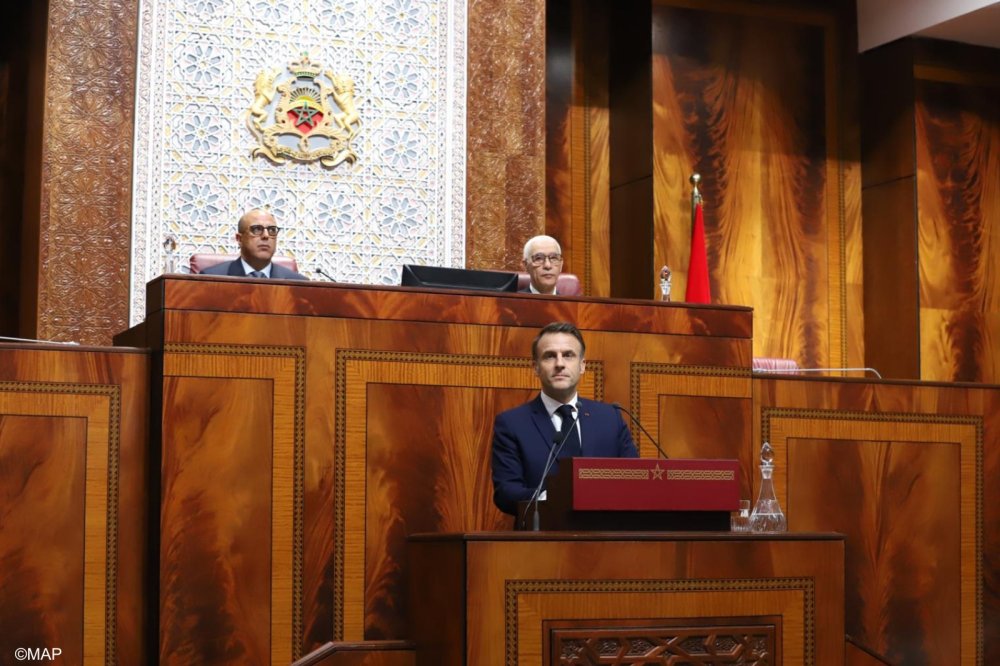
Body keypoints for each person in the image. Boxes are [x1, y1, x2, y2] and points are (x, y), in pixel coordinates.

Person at [491, 322, 638, 516]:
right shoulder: (512, 424)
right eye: (550, 356)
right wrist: (551, 498)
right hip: (541, 540)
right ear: (535, 367)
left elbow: (635, 480)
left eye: (568, 355)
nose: (559, 363)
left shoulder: (610, 418)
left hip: (605, 537)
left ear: (582, 366)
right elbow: (506, 493)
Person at [201, 209, 308, 279]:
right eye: (257, 229)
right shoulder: (212, 278)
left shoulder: (299, 283)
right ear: (239, 239)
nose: (266, 236)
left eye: (272, 230)